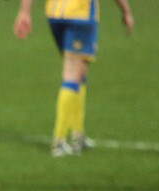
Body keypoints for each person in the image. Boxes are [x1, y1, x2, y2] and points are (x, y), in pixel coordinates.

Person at [13, 0, 134, 156]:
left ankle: (78, 135)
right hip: (80, 13)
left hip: (54, 13)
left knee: (79, 72)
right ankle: (59, 141)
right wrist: (125, 11)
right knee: (72, 73)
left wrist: (24, 11)